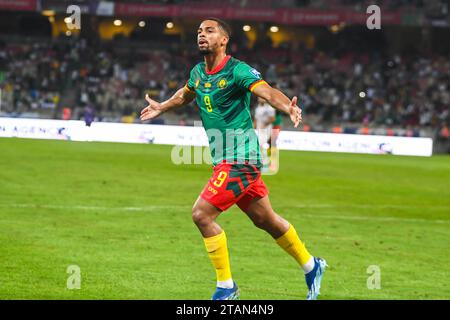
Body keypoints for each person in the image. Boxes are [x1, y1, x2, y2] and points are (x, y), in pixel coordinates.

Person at [140, 18, 326, 300]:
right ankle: (312, 265)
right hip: (226, 159)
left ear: (224, 39)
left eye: (209, 31)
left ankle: (226, 287)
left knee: (201, 214)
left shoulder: (238, 71)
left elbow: (267, 90)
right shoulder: (198, 72)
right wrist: (162, 107)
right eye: (199, 31)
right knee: (267, 220)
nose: (201, 35)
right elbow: (186, 94)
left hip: (240, 158)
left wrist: (286, 105)